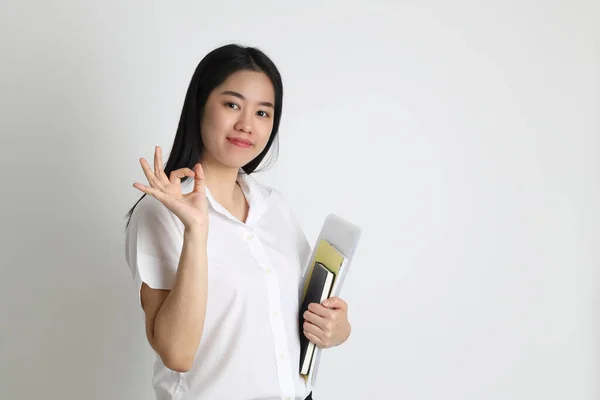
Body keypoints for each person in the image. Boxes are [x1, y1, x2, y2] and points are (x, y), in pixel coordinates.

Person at [124, 43, 352, 400]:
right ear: (199, 106)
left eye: (263, 113)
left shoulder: (275, 207)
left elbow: (295, 314)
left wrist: (334, 329)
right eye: (232, 104)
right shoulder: (161, 213)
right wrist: (197, 231)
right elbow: (177, 354)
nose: (246, 125)